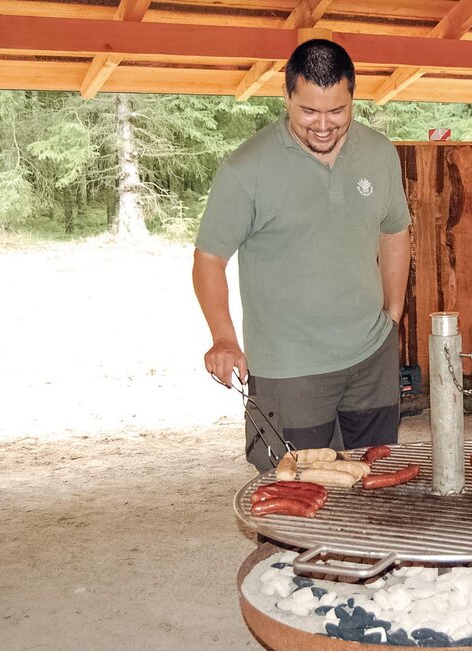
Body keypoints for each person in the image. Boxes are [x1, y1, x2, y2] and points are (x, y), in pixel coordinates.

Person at [192, 39, 412, 471]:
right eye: (309, 111)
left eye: (337, 111)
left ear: (353, 97)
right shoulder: (246, 168)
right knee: (293, 486)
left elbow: (395, 229)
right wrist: (223, 337)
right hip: (289, 370)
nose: (323, 125)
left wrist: (393, 314)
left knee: (373, 478)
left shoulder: (379, 153)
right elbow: (209, 259)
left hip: (371, 360)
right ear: (286, 96)